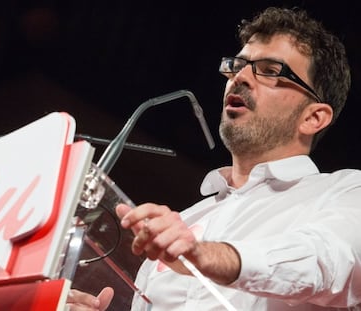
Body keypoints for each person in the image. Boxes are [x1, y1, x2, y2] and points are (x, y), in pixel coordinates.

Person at [66, 6, 361, 311]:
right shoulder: (189, 220)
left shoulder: (346, 192)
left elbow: (331, 260)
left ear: (313, 118)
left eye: (271, 71)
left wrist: (209, 256)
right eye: (238, 65)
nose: (241, 77)